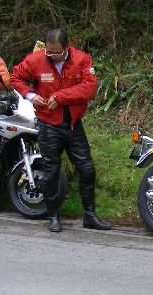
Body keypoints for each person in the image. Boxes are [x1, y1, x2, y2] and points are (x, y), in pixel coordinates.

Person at [10, 28, 110, 233]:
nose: (52, 55)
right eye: (49, 51)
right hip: (48, 124)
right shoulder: (36, 59)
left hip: (73, 124)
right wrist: (30, 96)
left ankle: (90, 215)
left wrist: (60, 96)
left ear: (66, 48)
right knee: (51, 171)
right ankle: (53, 216)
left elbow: (89, 88)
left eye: (57, 52)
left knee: (87, 169)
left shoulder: (82, 59)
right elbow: (15, 77)